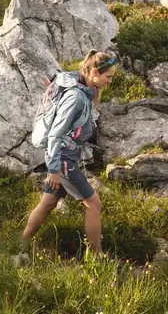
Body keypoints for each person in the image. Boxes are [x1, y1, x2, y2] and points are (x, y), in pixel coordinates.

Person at [21, 50, 117, 257]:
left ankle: (21, 244)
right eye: (108, 76)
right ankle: (97, 256)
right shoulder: (75, 98)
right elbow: (55, 134)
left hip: (64, 158)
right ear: (93, 72)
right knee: (93, 203)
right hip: (63, 161)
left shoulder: (82, 88)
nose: (110, 81)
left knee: (48, 203)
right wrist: (54, 169)